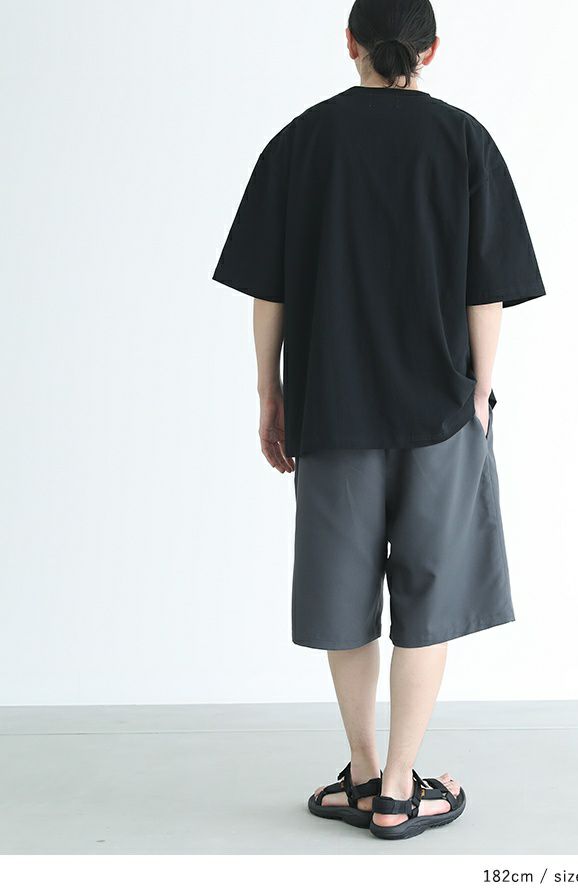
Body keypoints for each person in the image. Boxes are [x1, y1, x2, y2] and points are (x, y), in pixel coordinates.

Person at [213, 0, 545, 841]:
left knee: (344, 592)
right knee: (429, 596)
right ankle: (401, 789)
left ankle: (361, 775)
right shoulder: (463, 140)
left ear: (350, 43)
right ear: (432, 50)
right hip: (440, 410)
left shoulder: (302, 142)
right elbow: (486, 289)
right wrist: (481, 392)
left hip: (333, 405)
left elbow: (268, 289)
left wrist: (269, 392)